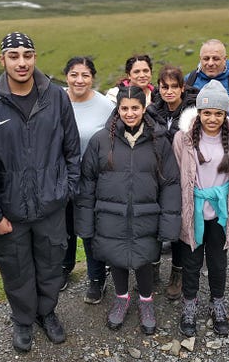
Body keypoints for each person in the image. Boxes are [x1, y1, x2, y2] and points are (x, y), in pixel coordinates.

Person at [0, 32, 80, 353]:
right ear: (3, 60)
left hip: (51, 204)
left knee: (51, 263)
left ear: (35, 57)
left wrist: (66, 190)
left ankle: (46, 312)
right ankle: (23, 318)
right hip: (11, 210)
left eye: (27, 55)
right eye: (14, 56)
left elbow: (72, 150)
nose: (21, 62)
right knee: (16, 268)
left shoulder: (56, 97)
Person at [75, 85, 181, 335]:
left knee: (144, 259)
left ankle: (146, 302)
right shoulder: (101, 141)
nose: (130, 113)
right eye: (124, 108)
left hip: (146, 216)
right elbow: (87, 183)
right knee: (117, 258)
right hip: (110, 216)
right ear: (118, 109)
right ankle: (121, 298)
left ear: (144, 108)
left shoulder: (159, 141)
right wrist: (86, 223)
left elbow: (170, 184)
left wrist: (169, 224)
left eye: (135, 108)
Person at [173, 80, 229, 337]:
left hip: (222, 214)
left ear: (225, 114)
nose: (212, 118)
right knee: (191, 261)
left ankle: (217, 301)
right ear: (198, 112)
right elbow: (177, 180)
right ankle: (189, 303)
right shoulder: (182, 139)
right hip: (192, 213)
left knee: (219, 262)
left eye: (218, 113)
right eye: (207, 112)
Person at [61, 56, 114, 303]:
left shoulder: (105, 106)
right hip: (60, 178)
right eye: (74, 74)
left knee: (89, 230)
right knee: (64, 229)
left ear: (92, 77)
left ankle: (96, 278)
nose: (79, 80)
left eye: (84, 75)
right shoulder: (55, 100)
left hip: (91, 181)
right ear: (66, 76)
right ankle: (64, 268)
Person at [150, 64, 198, 300]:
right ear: (158, 88)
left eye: (174, 87)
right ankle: (154, 266)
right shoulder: (152, 111)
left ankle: (177, 273)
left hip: (181, 178)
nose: (169, 91)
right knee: (155, 223)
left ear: (182, 88)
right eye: (164, 87)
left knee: (179, 226)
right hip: (155, 177)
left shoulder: (193, 114)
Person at [185, 39, 229, 119]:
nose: (210, 63)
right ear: (200, 59)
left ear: (225, 59)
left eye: (216, 59)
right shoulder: (189, 80)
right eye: (206, 58)